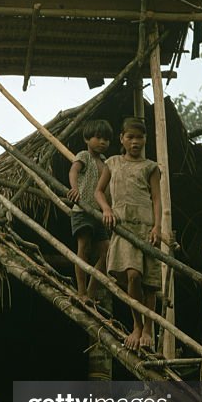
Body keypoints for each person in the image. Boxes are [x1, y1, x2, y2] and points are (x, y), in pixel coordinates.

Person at [95, 117, 162, 351]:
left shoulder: (150, 167)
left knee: (150, 284)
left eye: (140, 137)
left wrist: (157, 227)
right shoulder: (112, 163)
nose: (135, 142)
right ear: (121, 139)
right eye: (130, 137)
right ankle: (137, 324)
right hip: (123, 227)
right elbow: (98, 192)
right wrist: (106, 208)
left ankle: (147, 330)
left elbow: (156, 199)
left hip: (146, 227)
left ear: (145, 140)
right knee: (132, 275)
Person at [67, 119, 113, 301]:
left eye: (106, 139)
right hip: (82, 210)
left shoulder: (106, 162)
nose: (103, 142)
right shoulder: (83, 156)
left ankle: (92, 289)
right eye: (98, 137)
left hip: (99, 214)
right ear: (87, 139)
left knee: (107, 252)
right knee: (83, 247)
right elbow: (73, 171)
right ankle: (81, 292)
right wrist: (74, 188)